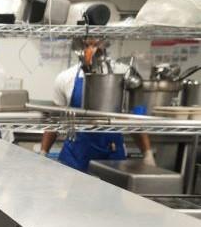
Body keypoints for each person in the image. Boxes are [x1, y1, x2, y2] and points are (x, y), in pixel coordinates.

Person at [40, 39, 155, 171]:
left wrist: (147, 153)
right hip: (75, 158)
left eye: (95, 44)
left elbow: (135, 119)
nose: (91, 49)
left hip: (111, 158)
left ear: (104, 42)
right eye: (87, 44)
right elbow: (55, 120)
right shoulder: (66, 78)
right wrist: (43, 152)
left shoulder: (122, 73)